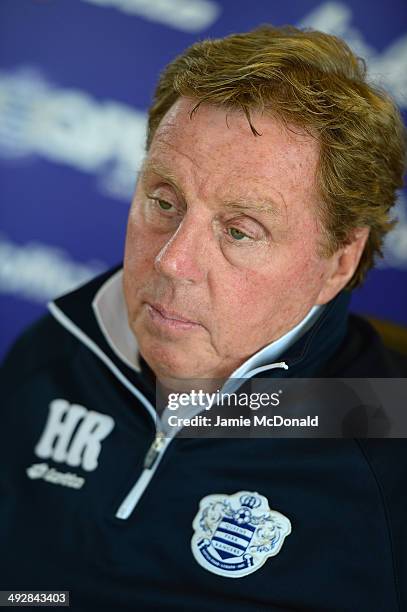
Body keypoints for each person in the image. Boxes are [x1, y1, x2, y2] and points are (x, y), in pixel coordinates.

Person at [0, 24, 406, 612]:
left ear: (338, 261)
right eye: (163, 202)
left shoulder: (383, 458)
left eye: (240, 230)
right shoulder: (55, 353)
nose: (172, 261)